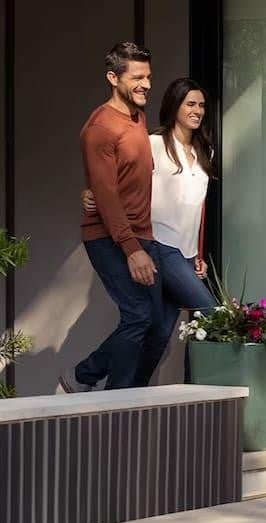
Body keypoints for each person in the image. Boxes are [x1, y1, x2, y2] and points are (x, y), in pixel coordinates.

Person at [82, 77, 220, 386]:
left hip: (185, 255)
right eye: (190, 104)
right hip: (159, 246)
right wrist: (88, 193)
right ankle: (93, 377)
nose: (197, 111)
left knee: (157, 334)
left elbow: (197, 208)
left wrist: (198, 253)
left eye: (201, 105)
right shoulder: (153, 144)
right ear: (175, 106)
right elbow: (117, 178)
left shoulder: (203, 153)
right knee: (212, 311)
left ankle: (128, 393)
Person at [60, 42, 165, 393]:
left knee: (156, 325)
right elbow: (105, 195)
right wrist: (132, 248)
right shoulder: (100, 129)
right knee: (138, 315)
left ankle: (84, 377)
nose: (146, 84)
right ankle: (116, 400)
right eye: (137, 77)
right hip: (110, 238)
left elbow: (118, 183)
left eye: (148, 77)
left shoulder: (137, 115)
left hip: (140, 236)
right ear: (113, 77)